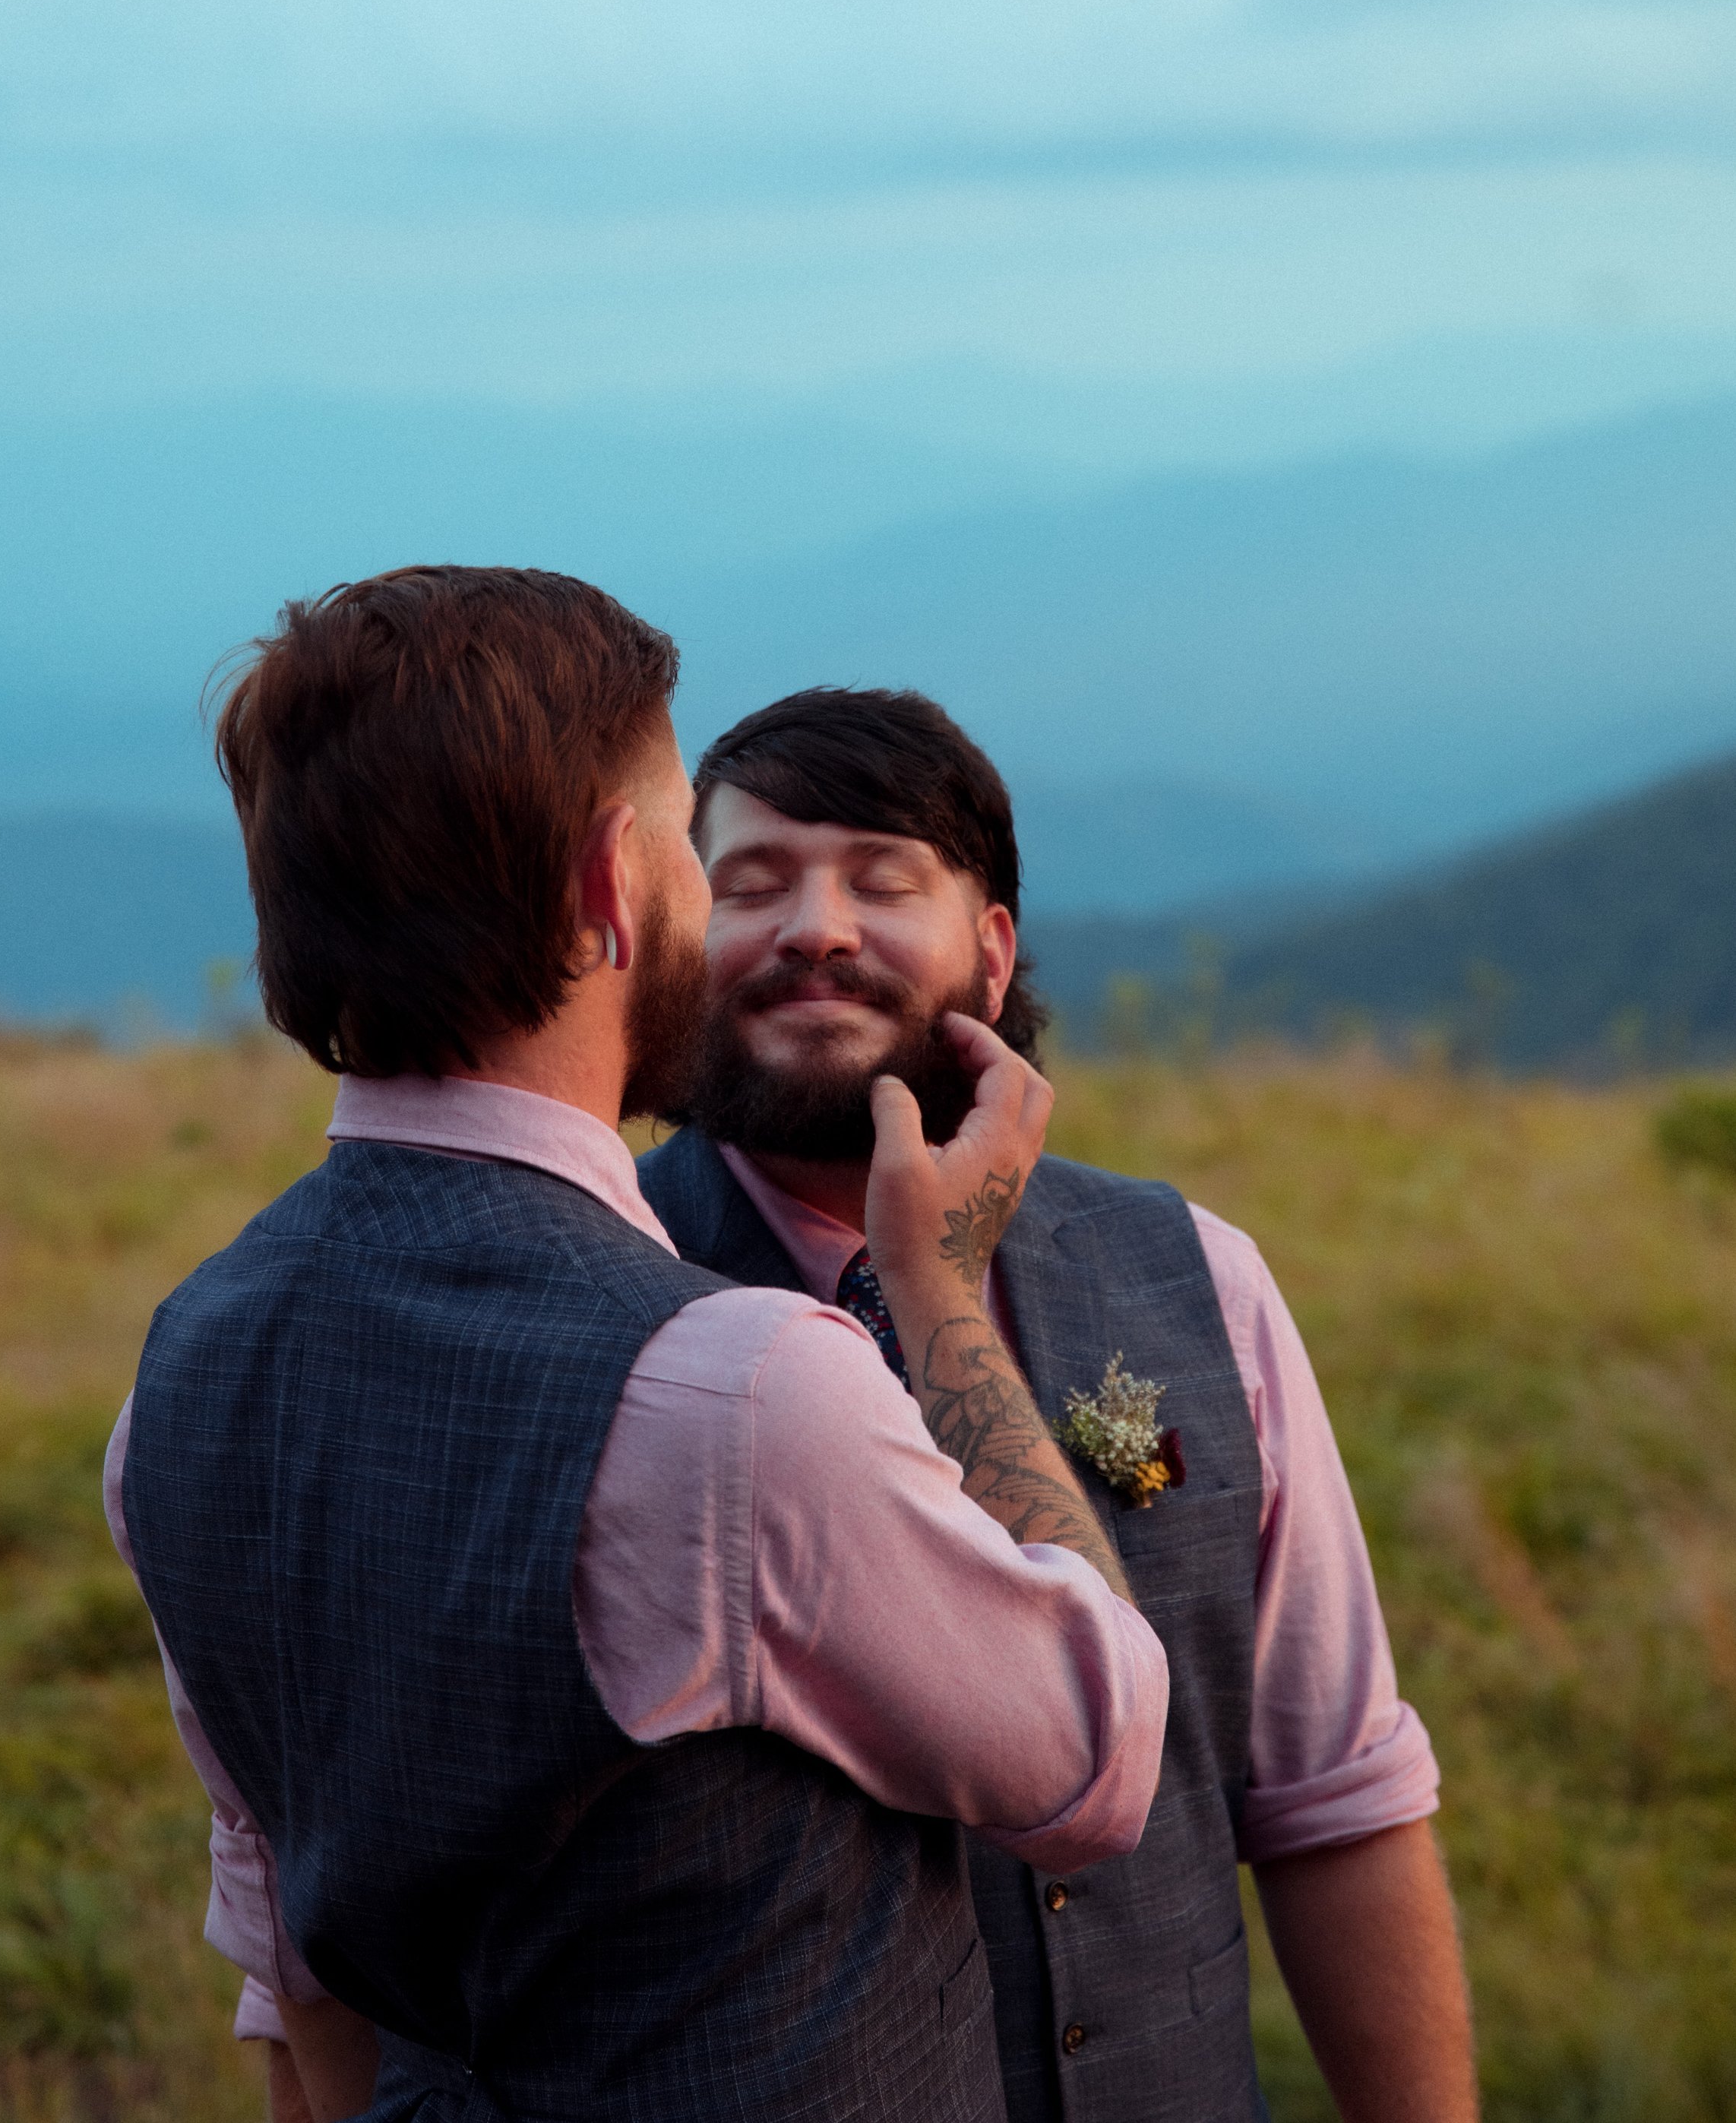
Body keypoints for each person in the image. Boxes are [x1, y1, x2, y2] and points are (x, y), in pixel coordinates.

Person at [107, 570, 1170, 2123]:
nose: (703, 885)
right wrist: (937, 1294)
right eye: (686, 837)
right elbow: (1095, 1753)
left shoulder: (184, 1373)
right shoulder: (729, 1391)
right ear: (612, 887)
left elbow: (297, 1958)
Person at [634, 686, 1479, 2123]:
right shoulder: (602, 1296)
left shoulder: (1198, 1276)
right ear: (670, 946)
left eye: (883, 878)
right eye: (747, 885)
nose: (816, 926)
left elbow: (1335, 1794)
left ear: (993, 944)